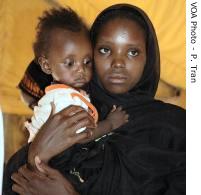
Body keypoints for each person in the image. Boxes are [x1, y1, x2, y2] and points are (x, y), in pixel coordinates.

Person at [4, 4, 186, 195]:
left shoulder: (177, 128)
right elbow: (12, 182)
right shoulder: (69, 104)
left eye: (133, 52)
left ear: (148, 58)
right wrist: (35, 155)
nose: (118, 63)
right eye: (105, 50)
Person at [23, 7, 128, 143]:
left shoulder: (66, 93)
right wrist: (111, 124)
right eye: (70, 63)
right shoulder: (62, 100)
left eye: (87, 62)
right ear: (46, 66)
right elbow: (82, 137)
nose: (81, 70)